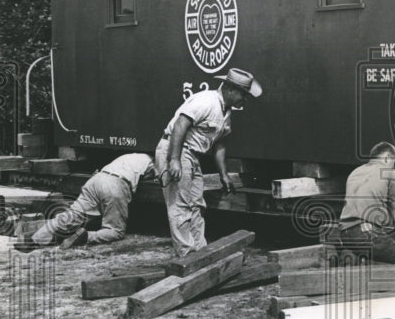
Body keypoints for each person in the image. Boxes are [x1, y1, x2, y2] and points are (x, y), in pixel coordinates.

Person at [155, 67, 261, 258]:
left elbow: (219, 144)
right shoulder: (206, 101)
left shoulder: (226, 110)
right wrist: (175, 160)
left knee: (197, 204)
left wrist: (224, 175)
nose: (244, 100)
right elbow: (180, 125)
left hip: (193, 155)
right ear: (229, 89)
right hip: (176, 149)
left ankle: (200, 253)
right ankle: (187, 258)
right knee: (180, 206)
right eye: (242, 94)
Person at [26, 152, 156, 249]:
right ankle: (85, 237)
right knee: (116, 231)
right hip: (116, 185)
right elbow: (160, 178)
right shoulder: (154, 161)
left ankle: (35, 239)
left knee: (71, 215)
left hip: (96, 179)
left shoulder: (130, 156)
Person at [323, 141, 395, 264]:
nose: (394, 165)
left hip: (345, 234)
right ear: (387, 158)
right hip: (366, 234)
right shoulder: (388, 172)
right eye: (394, 161)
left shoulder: (355, 172)